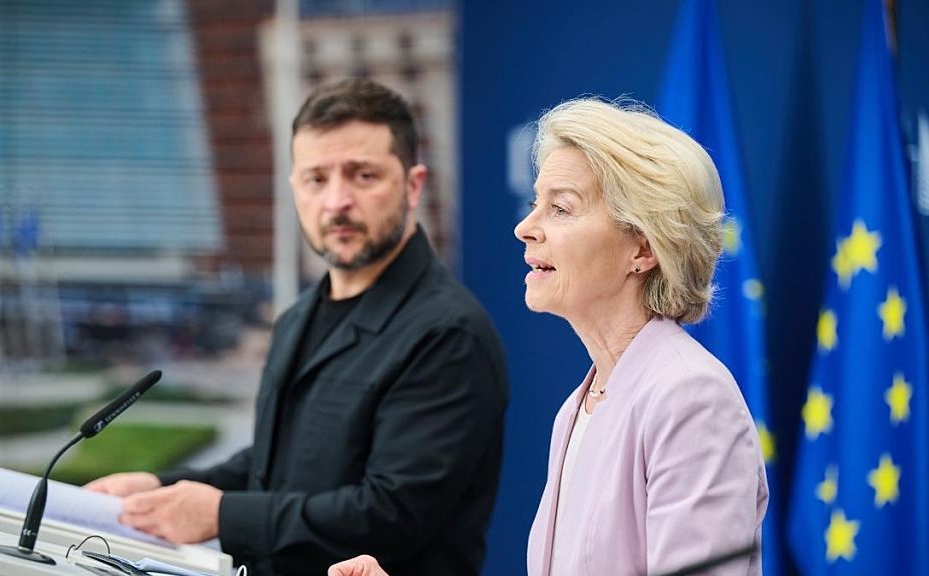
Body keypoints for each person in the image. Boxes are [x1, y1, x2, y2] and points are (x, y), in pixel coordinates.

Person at [84, 78, 509, 576]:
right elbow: (275, 467)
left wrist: (220, 514)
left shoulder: (447, 334)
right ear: (293, 187)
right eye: (316, 179)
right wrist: (161, 490)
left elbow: (392, 515)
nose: (336, 202)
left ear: (414, 185)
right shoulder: (297, 319)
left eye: (363, 176)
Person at [328, 97, 769, 576]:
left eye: (560, 208)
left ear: (642, 247)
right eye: (536, 203)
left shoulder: (690, 399)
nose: (525, 227)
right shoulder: (579, 407)